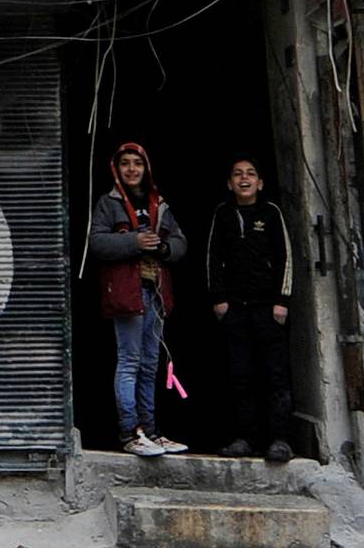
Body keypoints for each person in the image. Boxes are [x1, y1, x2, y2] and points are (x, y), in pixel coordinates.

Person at [90, 139, 188, 458]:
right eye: (125, 163)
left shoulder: (160, 203)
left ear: (146, 168)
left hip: (156, 291)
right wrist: (135, 242)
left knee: (150, 364)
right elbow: (96, 243)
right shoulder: (109, 203)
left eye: (138, 163)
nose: (132, 169)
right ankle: (130, 432)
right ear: (116, 169)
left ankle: (152, 431)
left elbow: (180, 242)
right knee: (129, 361)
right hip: (127, 292)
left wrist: (163, 248)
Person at [204, 156, 296, 461]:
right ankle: (245, 438)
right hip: (235, 308)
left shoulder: (270, 213)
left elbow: (285, 257)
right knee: (240, 374)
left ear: (260, 183)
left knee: (275, 373)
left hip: (268, 308)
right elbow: (212, 259)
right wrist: (219, 298)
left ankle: (280, 440)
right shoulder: (223, 214)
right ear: (229, 183)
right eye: (237, 174)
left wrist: (282, 301)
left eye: (251, 174)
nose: (244, 178)